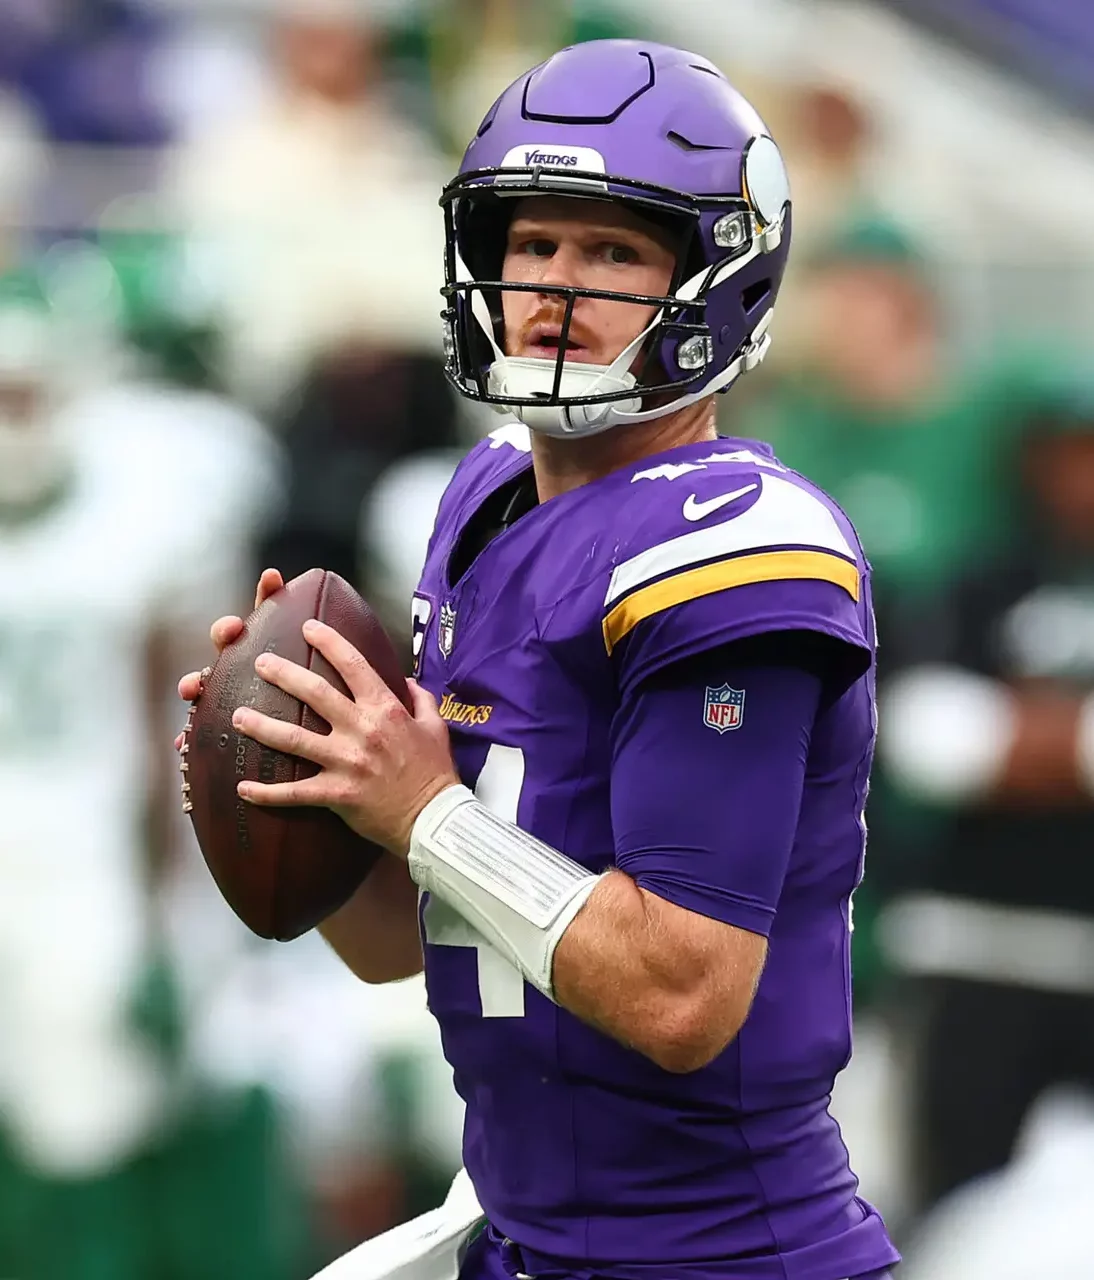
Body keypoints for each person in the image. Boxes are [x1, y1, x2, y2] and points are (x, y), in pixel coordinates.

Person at [179, 40, 899, 1280]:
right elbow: (399, 941)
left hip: (719, 1255)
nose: (553, 283)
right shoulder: (484, 493)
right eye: (529, 243)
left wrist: (423, 808)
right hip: (523, 1233)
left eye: (612, 249)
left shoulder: (735, 544)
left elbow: (683, 996)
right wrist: (308, 772)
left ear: (719, 278)